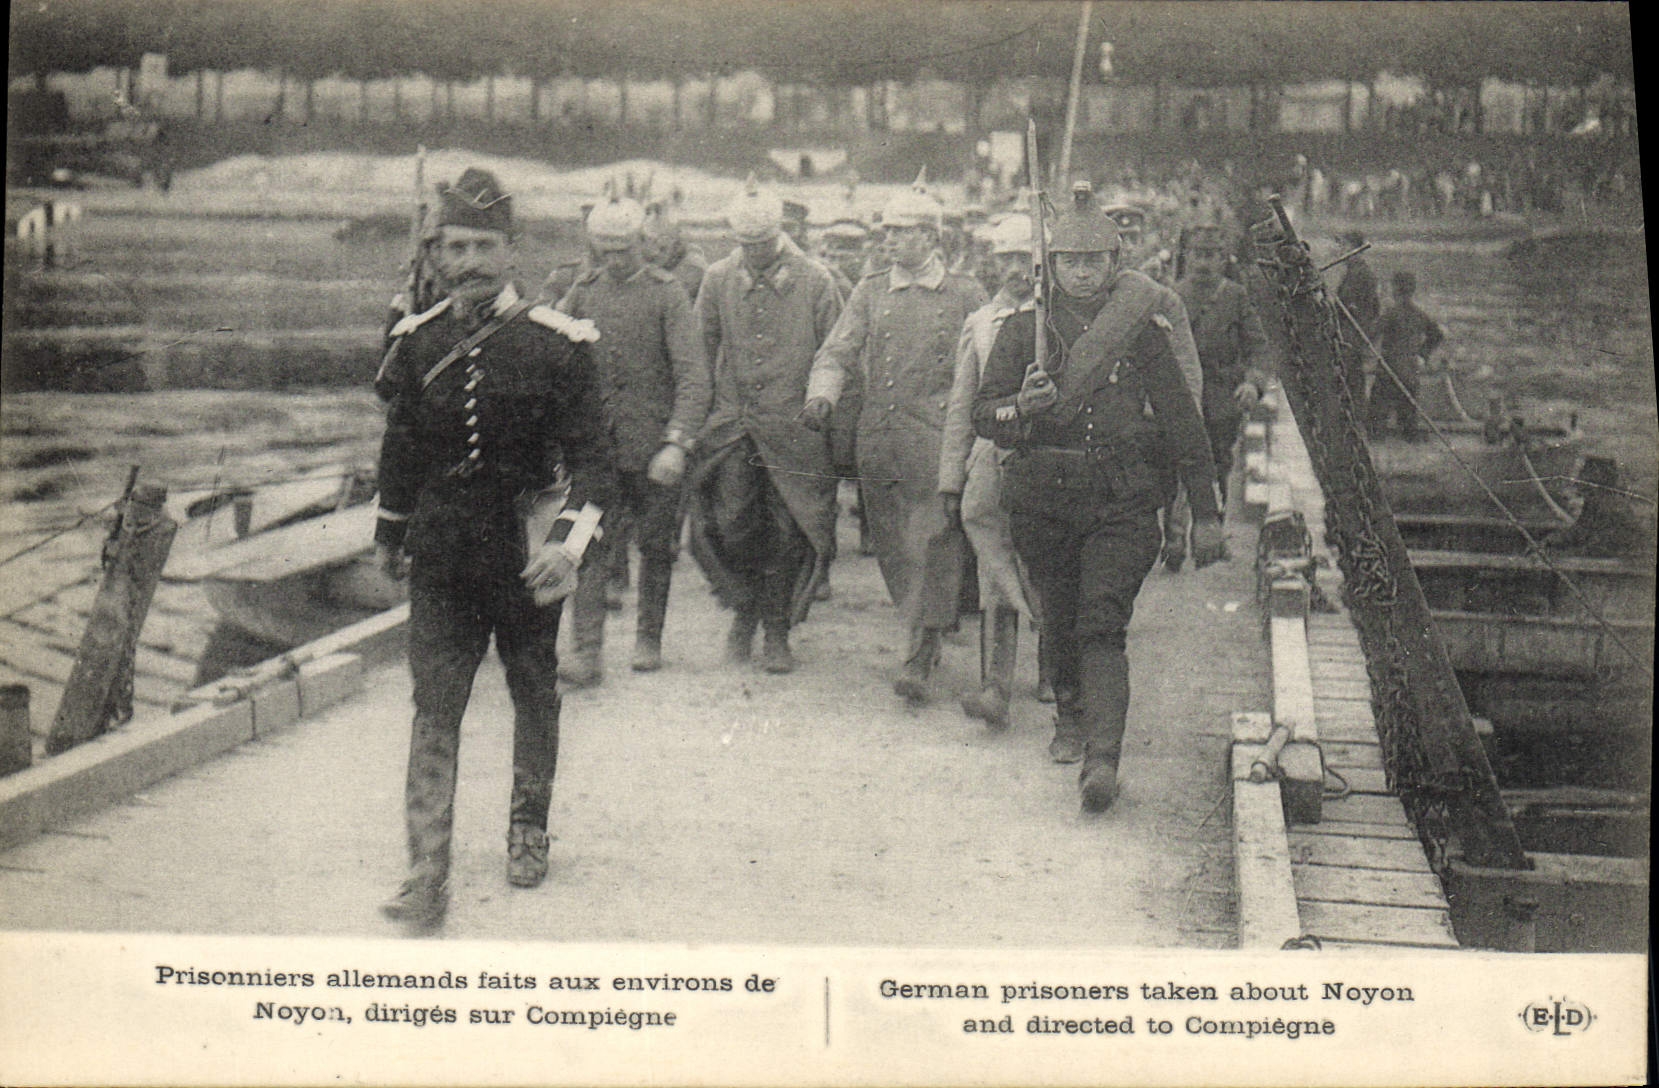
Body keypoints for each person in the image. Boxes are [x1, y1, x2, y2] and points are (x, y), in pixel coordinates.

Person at [372, 167, 615, 926]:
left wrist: (568, 547)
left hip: (526, 550)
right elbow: (401, 448)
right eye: (454, 247)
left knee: (532, 688)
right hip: (443, 554)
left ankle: (527, 829)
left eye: (483, 246)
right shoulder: (415, 343)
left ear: (512, 252)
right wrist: (389, 532)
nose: (468, 261)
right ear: (436, 254)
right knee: (433, 705)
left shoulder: (561, 344)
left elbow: (597, 462)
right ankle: (425, 870)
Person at [972, 182, 1224, 812]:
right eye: (1070, 262)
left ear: (1116, 266)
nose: (1082, 273)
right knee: (1058, 617)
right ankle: (1069, 714)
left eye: (1094, 262)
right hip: (1044, 502)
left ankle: (1102, 760)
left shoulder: (1140, 331)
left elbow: (1182, 422)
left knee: (1102, 622)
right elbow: (983, 414)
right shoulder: (1024, 330)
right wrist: (1018, 410)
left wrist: (1208, 513)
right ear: (1051, 266)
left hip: (1122, 500)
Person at [802, 170, 987, 704]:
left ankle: (920, 649)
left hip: (936, 440)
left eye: (901, 232)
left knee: (931, 540)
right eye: (886, 232)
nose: (888, 241)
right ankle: (925, 624)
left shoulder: (964, 294)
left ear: (931, 237)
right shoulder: (870, 291)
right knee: (892, 547)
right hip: (878, 441)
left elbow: (984, 366)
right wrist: (823, 395)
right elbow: (838, 349)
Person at [688, 180, 844, 672]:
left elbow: (836, 353)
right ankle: (744, 609)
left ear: (780, 234)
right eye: (745, 245)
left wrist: (823, 402)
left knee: (786, 531)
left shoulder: (817, 280)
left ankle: (775, 630)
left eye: (763, 244)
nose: (754, 254)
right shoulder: (717, 279)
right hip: (734, 427)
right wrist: (696, 419)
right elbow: (700, 353)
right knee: (730, 523)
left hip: (796, 433)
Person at [554, 196, 711, 683]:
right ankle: (586, 651)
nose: (614, 260)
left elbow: (693, 378)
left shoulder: (668, 296)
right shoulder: (582, 292)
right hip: (596, 452)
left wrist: (676, 442)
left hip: (653, 453)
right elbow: (557, 364)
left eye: (623, 250)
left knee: (657, 547)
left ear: (643, 243)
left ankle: (648, 638)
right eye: (604, 251)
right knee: (584, 545)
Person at [939, 213, 1043, 729]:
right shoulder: (980, 323)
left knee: (1044, 562)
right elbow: (962, 405)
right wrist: (950, 477)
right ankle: (995, 687)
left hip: (1044, 463)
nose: (1015, 271)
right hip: (989, 457)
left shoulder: (1056, 320)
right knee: (993, 571)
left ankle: (1051, 671)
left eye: (1024, 259)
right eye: (1005, 259)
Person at [1161, 224, 1270, 571]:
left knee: (1218, 464)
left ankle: (1209, 533)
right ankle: (1175, 535)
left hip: (1223, 397)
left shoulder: (1235, 297)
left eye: (1211, 255)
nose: (1203, 263)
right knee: (1176, 466)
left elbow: (1258, 346)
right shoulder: (1171, 296)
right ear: (1186, 257)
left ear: (1224, 259)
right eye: (1197, 254)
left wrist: (1252, 383)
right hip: (1181, 396)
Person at [1367, 271, 1444, 440]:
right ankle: (1409, 439)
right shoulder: (1419, 314)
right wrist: (1422, 355)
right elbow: (1437, 335)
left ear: (1395, 289)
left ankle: (1377, 440)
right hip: (1410, 371)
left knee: (1377, 414)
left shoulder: (1391, 313)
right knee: (1408, 415)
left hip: (1389, 370)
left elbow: (1370, 333)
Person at [1333, 229, 1380, 400]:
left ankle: (1357, 422)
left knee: (1352, 387)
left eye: (1344, 246)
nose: (1340, 250)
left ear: (1355, 249)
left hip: (1352, 341)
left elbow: (1371, 310)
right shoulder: (1353, 273)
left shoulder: (1361, 275)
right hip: (1349, 339)